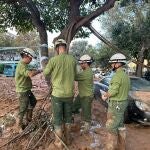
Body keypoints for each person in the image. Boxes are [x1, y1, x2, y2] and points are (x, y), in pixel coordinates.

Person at [43, 39, 76, 148]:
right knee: (68, 118)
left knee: (57, 119)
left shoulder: (53, 60)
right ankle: (68, 139)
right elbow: (77, 74)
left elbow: (46, 72)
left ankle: (58, 142)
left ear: (57, 48)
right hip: (69, 95)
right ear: (65, 48)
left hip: (57, 95)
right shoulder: (72, 60)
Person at [102, 53, 130, 150]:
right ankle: (121, 147)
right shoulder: (125, 75)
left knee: (111, 126)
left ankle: (110, 147)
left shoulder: (117, 76)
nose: (111, 65)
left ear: (118, 63)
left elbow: (113, 91)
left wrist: (105, 95)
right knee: (120, 125)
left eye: (112, 63)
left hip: (116, 104)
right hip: (123, 103)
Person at [15, 48, 42, 130]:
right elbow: (30, 74)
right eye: (30, 58)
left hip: (27, 89)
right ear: (26, 56)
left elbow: (29, 70)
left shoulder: (25, 65)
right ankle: (18, 127)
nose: (31, 60)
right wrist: (39, 71)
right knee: (23, 108)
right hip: (22, 91)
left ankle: (28, 120)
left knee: (33, 102)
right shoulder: (21, 65)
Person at [73, 54, 94, 133]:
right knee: (74, 106)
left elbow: (75, 77)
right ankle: (83, 121)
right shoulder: (85, 71)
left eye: (81, 63)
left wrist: (71, 69)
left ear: (86, 63)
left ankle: (86, 128)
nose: (80, 65)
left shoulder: (87, 73)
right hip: (82, 94)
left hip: (87, 95)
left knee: (86, 111)